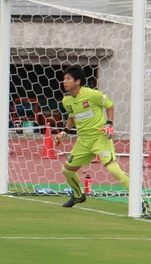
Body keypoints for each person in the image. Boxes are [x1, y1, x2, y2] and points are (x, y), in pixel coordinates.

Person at [55, 64, 130, 208]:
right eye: (64, 79)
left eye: (68, 79)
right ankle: (78, 196)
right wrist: (65, 131)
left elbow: (109, 105)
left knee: (114, 169)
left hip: (100, 138)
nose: (64, 82)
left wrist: (109, 123)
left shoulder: (93, 94)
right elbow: (72, 115)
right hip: (83, 142)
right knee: (67, 171)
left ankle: (138, 200)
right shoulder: (66, 100)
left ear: (77, 81)